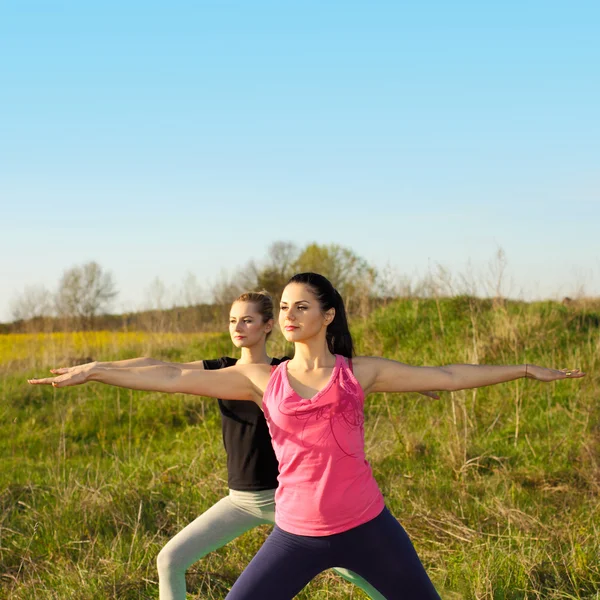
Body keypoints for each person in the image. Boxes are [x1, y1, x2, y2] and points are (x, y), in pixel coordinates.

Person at [29, 273, 585, 599]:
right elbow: (173, 376)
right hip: (295, 534)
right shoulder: (258, 378)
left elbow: (446, 377)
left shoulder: (357, 372)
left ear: (327, 315)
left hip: (369, 527)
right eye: (286, 307)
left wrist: (524, 370)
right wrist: (99, 370)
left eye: (301, 307)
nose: (290, 314)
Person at [38, 290, 386, 600]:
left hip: (291, 504)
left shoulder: (286, 372)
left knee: (354, 569)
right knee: (170, 559)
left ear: (268, 326)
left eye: (248, 320)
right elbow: (160, 367)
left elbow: (348, 376)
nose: (238, 327)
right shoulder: (220, 370)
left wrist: (408, 383)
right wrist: (98, 367)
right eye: (233, 320)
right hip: (240, 501)